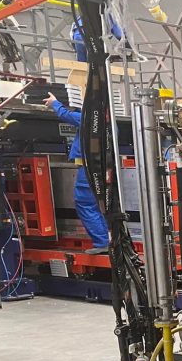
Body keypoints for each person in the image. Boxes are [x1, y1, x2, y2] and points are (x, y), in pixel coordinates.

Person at [44, 92, 109, 254]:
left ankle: (102, 242)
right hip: (98, 167)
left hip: (88, 169)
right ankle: (107, 240)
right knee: (96, 205)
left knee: (85, 203)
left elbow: (66, 115)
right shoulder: (106, 121)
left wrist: (55, 103)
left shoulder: (90, 119)